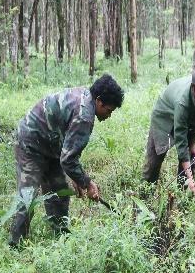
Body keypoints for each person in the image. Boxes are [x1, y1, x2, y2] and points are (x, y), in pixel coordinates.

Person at [9, 74, 124, 247]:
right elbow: (68, 159)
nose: (108, 116)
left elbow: (68, 155)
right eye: (109, 110)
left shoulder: (87, 97)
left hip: (52, 145)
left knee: (59, 192)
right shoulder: (85, 115)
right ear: (99, 101)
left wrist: (77, 178)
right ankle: (16, 244)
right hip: (30, 143)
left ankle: (61, 239)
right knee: (28, 195)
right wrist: (86, 182)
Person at [142, 66, 195, 196]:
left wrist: (192, 145)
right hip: (163, 117)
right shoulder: (183, 103)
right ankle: (144, 199)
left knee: (190, 156)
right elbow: (181, 144)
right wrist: (191, 178)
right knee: (154, 163)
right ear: (193, 88)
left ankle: (182, 195)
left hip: (184, 116)